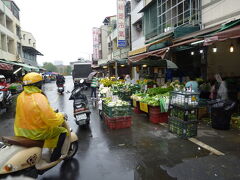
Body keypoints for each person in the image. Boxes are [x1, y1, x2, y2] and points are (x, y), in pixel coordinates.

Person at [14, 72, 68, 162]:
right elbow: (52, 120)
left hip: (20, 132)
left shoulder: (20, 96)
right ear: (38, 84)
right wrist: (61, 115)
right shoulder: (39, 97)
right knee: (62, 131)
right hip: (36, 133)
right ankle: (55, 157)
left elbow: (30, 111)